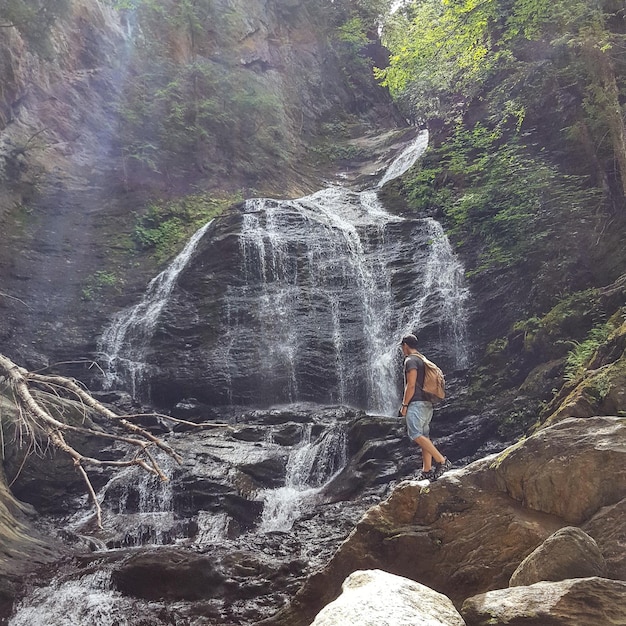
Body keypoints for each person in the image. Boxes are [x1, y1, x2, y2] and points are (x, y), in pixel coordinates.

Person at [399, 333, 451, 481]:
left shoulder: (410, 361)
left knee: (415, 434)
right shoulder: (422, 359)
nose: (402, 350)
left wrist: (404, 405)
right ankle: (426, 471)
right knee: (424, 437)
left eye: (402, 347)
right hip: (427, 404)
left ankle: (442, 461)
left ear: (405, 346)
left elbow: (410, 385)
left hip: (416, 404)